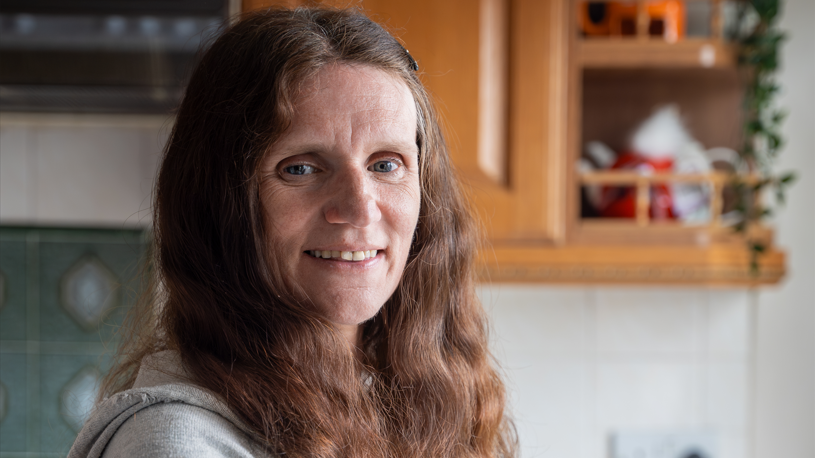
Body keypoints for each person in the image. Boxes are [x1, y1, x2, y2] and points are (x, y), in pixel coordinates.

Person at [69, 6, 517, 458]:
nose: (360, 208)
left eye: (386, 164)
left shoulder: (393, 397)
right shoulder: (176, 444)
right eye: (301, 168)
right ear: (218, 202)